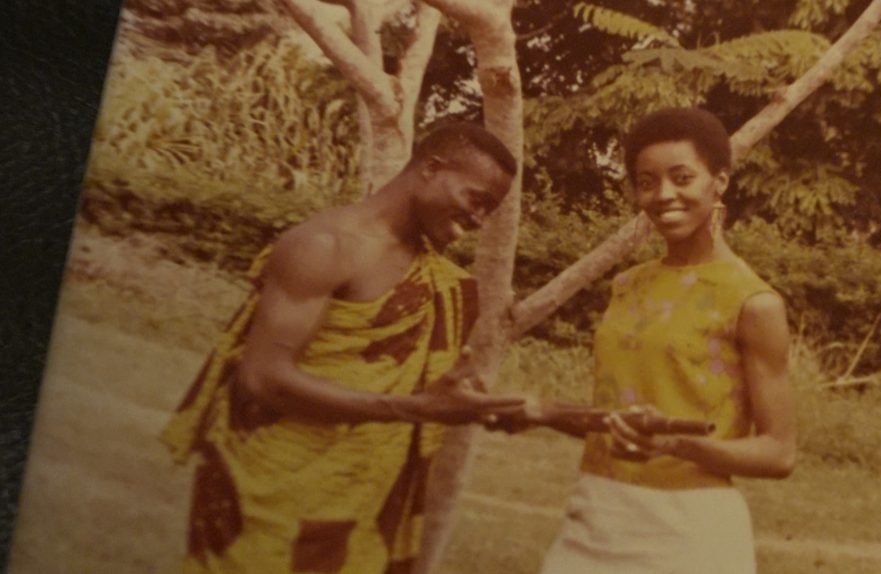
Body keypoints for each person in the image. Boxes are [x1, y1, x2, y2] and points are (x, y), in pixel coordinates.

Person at [160, 122, 525, 573]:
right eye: (478, 199)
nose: (479, 220)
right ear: (431, 168)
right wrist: (414, 408)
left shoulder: (432, 274)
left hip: (355, 498)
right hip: (263, 488)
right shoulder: (326, 245)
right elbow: (262, 378)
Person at [537, 108, 796, 573]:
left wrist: (678, 445)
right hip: (595, 510)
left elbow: (779, 452)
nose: (663, 195)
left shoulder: (753, 302)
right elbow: (616, 414)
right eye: (647, 181)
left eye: (682, 177)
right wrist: (540, 410)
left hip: (687, 530)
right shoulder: (627, 285)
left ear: (719, 182)